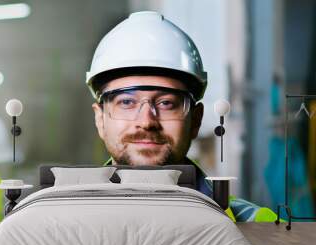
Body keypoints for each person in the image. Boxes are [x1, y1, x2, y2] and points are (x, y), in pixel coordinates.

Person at [86, 11, 277, 222]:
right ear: (100, 119)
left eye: (166, 103)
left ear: (196, 119)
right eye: (127, 102)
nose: (147, 122)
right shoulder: (63, 223)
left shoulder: (259, 226)